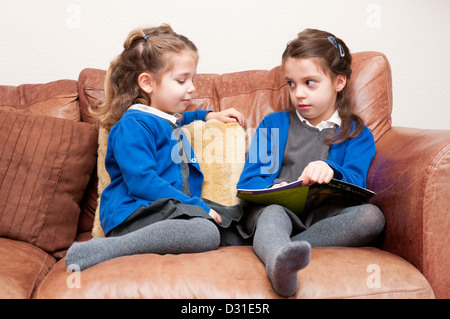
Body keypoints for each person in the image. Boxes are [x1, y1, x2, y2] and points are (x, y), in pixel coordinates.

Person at [65, 24, 245, 270]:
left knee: (237, 217)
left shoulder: (164, 119)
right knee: (206, 232)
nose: (192, 88)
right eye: (182, 80)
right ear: (148, 83)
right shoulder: (133, 126)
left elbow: (181, 120)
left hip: (167, 209)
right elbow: (142, 183)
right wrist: (196, 206)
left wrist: (210, 115)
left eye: (192, 79)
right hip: (133, 214)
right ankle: (101, 250)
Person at [237, 29, 385, 297]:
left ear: (339, 82)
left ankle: (283, 249)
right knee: (271, 215)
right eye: (291, 84)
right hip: (276, 212)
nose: (299, 94)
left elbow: (357, 184)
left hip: (324, 217)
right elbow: (249, 182)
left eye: (310, 82)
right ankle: (279, 259)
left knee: (372, 217)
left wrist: (331, 169)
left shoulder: (356, 133)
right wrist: (274, 188)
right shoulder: (273, 125)